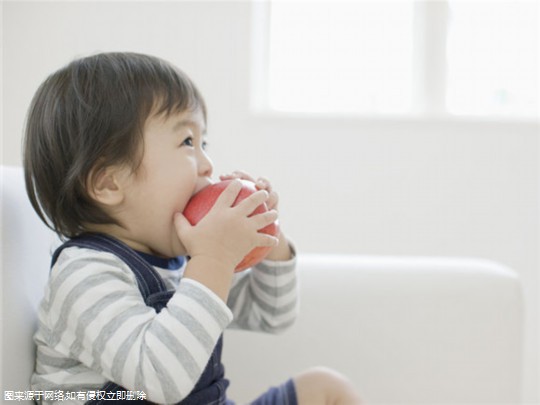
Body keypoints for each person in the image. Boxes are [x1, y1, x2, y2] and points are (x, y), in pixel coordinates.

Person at [24, 52, 362, 404]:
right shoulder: (84, 275)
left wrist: (268, 236)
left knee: (326, 388)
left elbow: (272, 314)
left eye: (204, 144)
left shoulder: (184, 259)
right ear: (109, 182)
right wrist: (213, 260)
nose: (207, 164)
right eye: (187, 142)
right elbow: (160, 377)